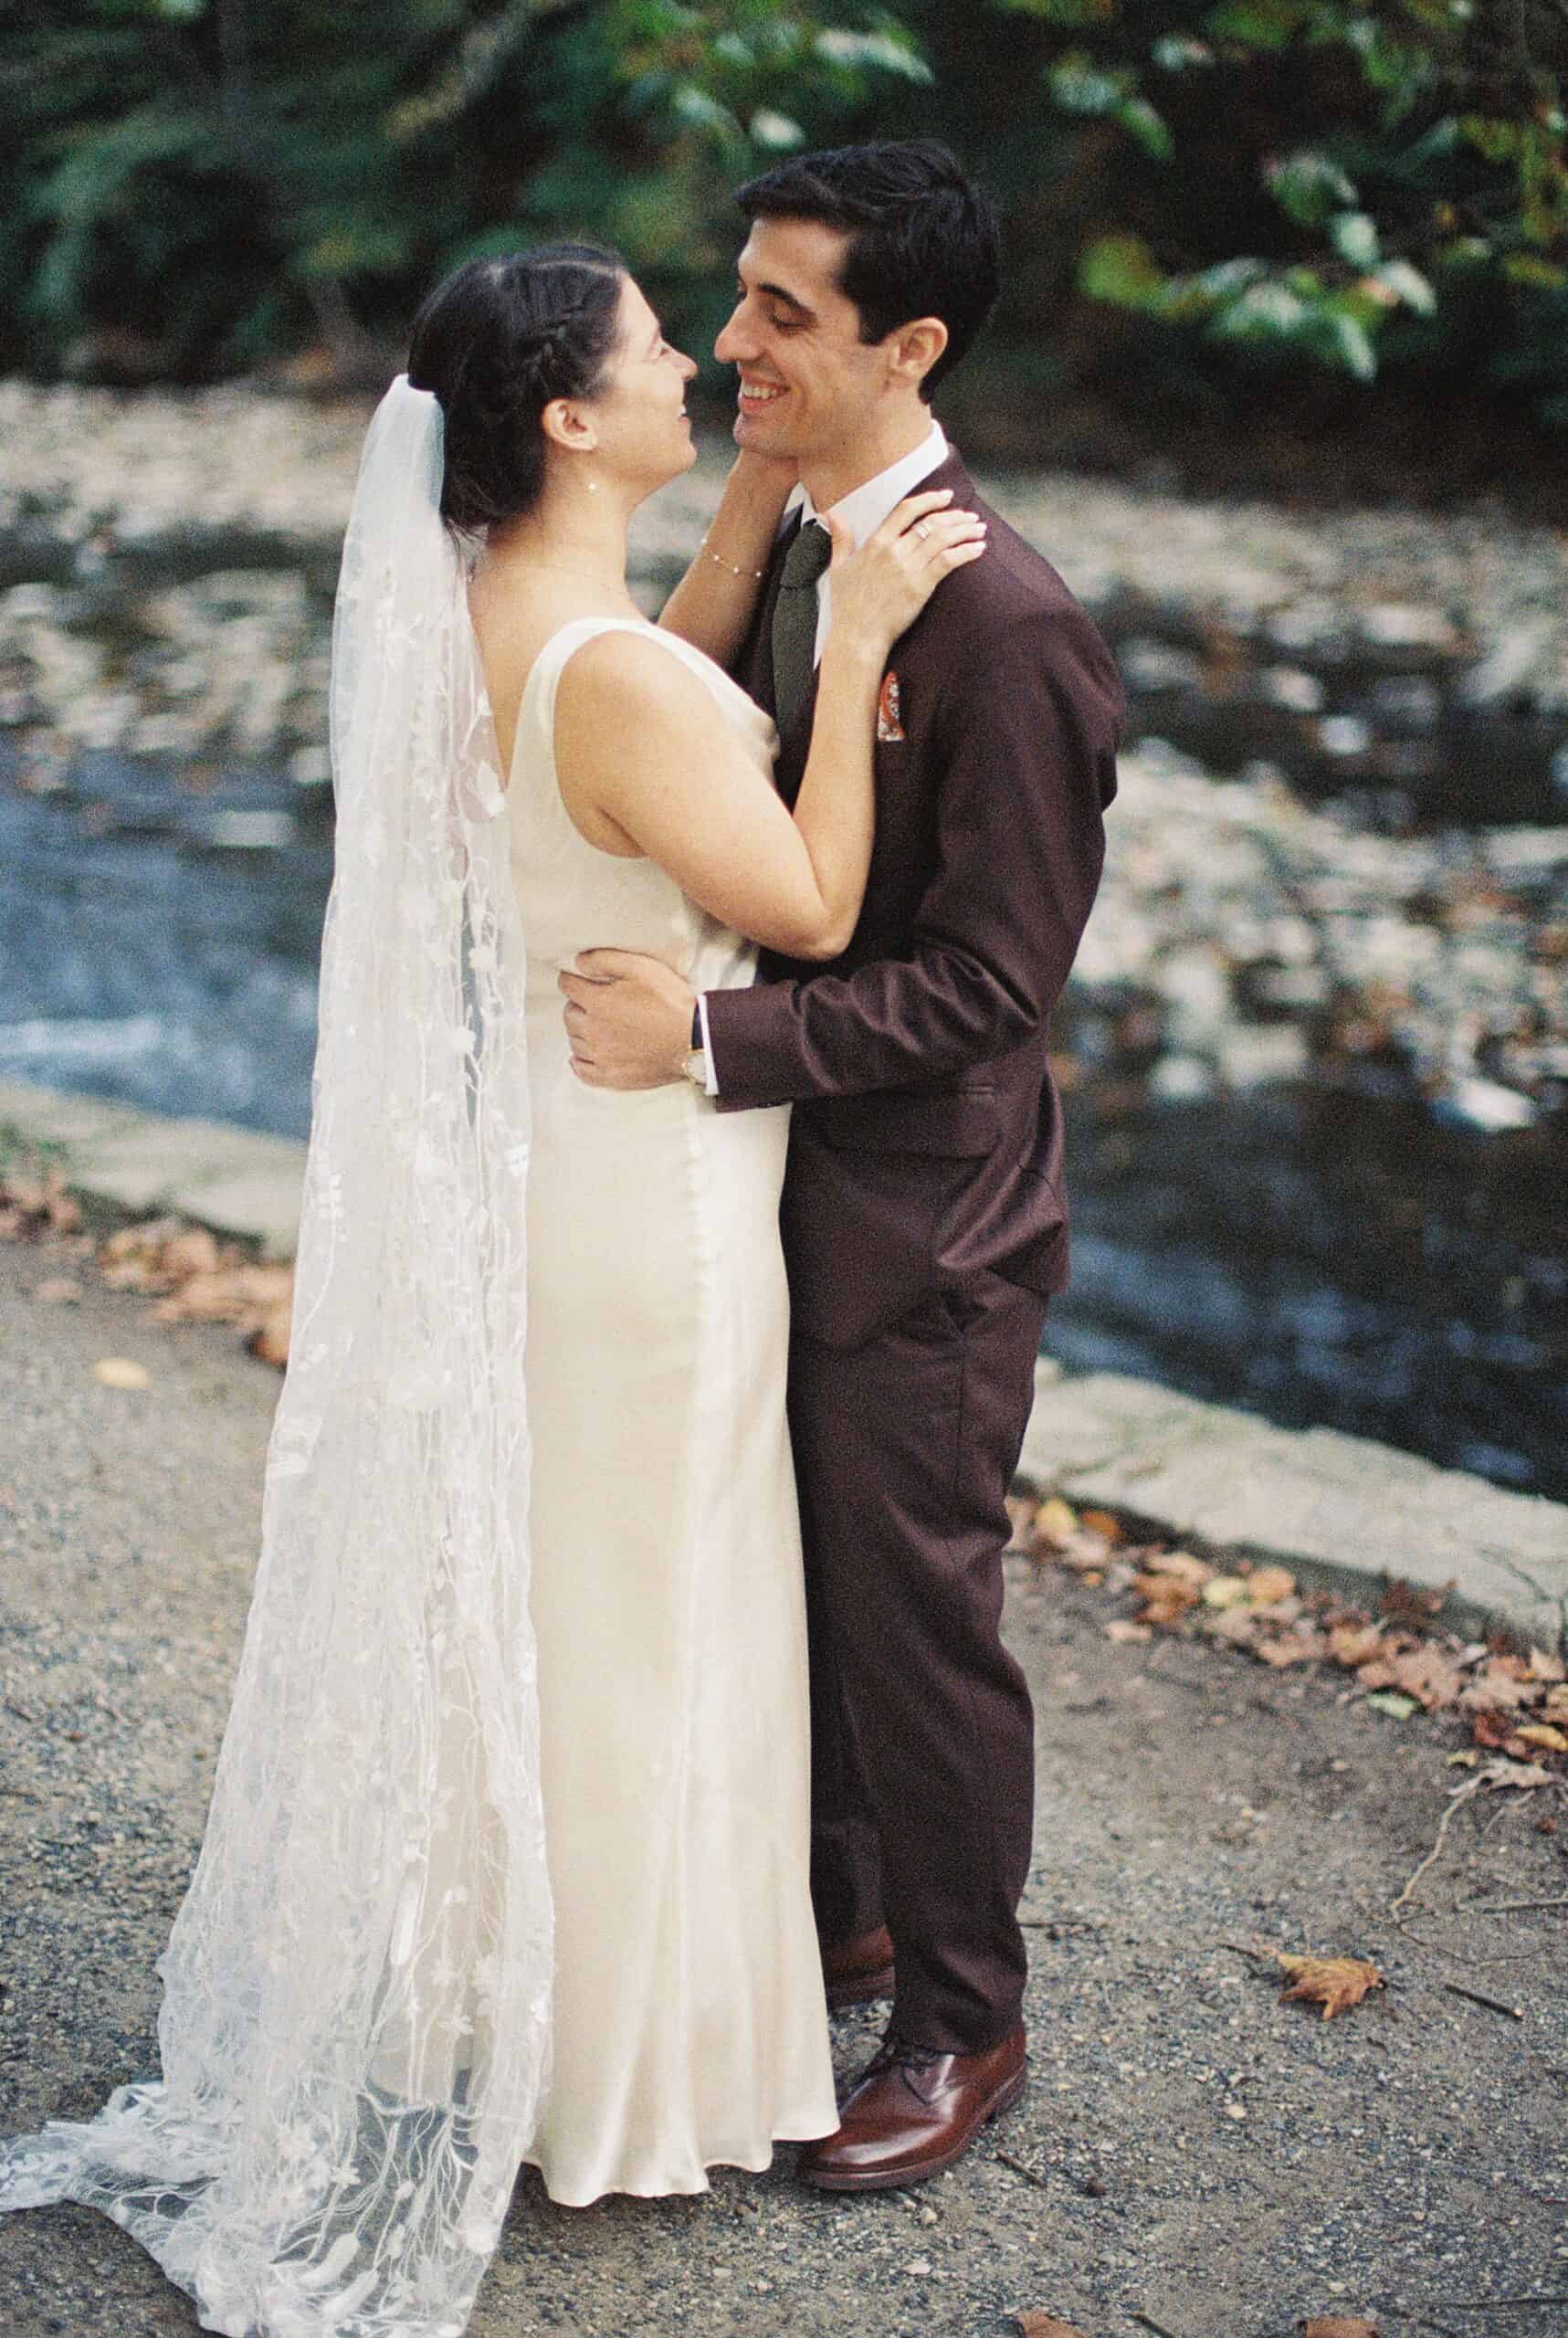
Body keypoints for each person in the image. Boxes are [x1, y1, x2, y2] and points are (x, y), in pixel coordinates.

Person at [0, 245, 984, 2334]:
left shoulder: (489, 622)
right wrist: (864, 632)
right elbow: (799, 889)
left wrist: (731, 538)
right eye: (654, 350)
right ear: (564, 414)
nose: (694, 368)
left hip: (551, 1177)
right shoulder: (612, 677)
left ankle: (510, 2019)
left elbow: (636, 706)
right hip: (655, 1202)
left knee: (571, 1606)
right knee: (659, 1620)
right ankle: (629, 2078)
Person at [560, 142, 1126, 2194]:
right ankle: (844, 1913)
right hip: (781, 1188)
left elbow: (988, 986)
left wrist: (713, 1040)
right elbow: (700, 758)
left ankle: (969, 2022)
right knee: (793, 1573)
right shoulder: (813, 541)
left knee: (915, 1612)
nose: (729, 341)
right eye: (734, 297)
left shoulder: (1009, 624)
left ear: (911, 346)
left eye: (781, 312)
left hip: (929, 1220)